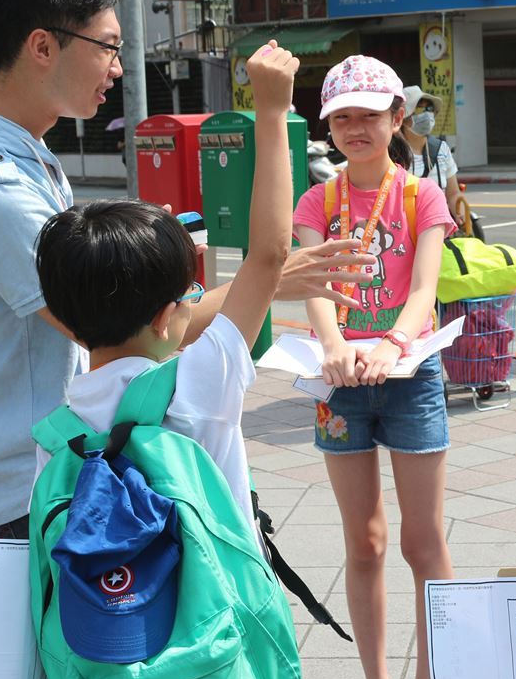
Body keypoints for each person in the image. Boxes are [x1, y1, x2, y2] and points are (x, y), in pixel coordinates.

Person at [0, 0, 368, 539]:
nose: (118, 68)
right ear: (42, 46)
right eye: (108, 46)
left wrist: (247, 277)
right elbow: (115, 328)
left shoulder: (12, 150)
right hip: (34, 492)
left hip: (58, 467)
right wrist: (263, 279)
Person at [31, 41, 312, 530]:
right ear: (164, 318)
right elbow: (269, 255)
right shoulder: (199, 382)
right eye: (190, 294)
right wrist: (271, 111)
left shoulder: (57, 431)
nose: (193, 301)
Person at [293, 55, 456, 679]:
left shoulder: (421, 194)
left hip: (411, 375)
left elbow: (424, 290)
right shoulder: (318, 200)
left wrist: (392, 343)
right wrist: (333, 344)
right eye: (342, 118)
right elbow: (315, 285)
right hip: (339, 384)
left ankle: (433, 678)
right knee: (363, 542)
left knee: (424, 542)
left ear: (396, 117)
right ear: (328, 126)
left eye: (369, 115)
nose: (356, 129)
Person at [400, 84, 465, 227]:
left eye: (429, 109)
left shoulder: (442, 149)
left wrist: (459, 213)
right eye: (419, 109)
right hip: (404, 229)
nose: (426, 114)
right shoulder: (392, 153)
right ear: (402, 118)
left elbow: (453, 193)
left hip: (438, 228)